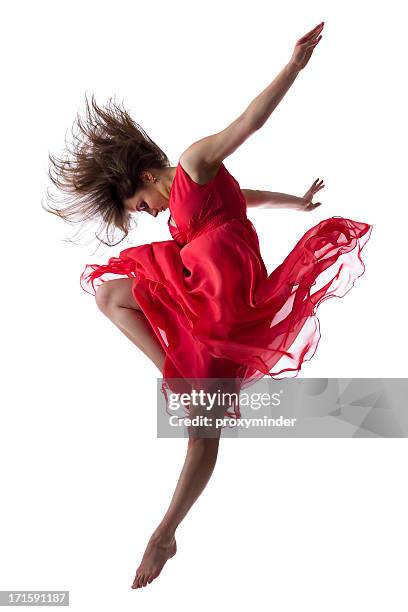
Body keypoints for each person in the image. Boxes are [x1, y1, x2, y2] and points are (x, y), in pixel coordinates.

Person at [44, 21, 372, 588]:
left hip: (224, 295)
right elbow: (252, 196)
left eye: (138, 202)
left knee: (203, 431)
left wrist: (292, 67)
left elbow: (248, 121)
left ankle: (164, 532)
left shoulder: (196, 162)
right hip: (204, 291)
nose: (143, 213)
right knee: (110, 294)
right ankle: (176, 378)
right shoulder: (179, 211)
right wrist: (296, 202)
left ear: (148, 174)